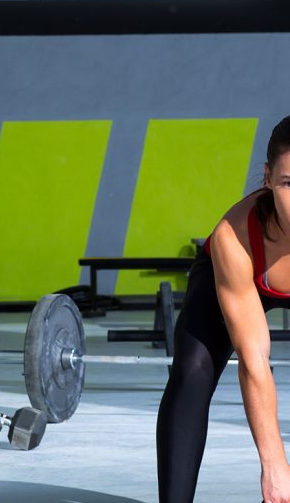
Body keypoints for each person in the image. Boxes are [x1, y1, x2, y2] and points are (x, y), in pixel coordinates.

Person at [156, 115, 290, 503]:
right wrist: (274, 466)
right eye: (289, 183)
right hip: (238, 275)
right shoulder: (235, 236)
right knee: (192, 369)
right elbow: (254, 360)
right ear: (268, 178)